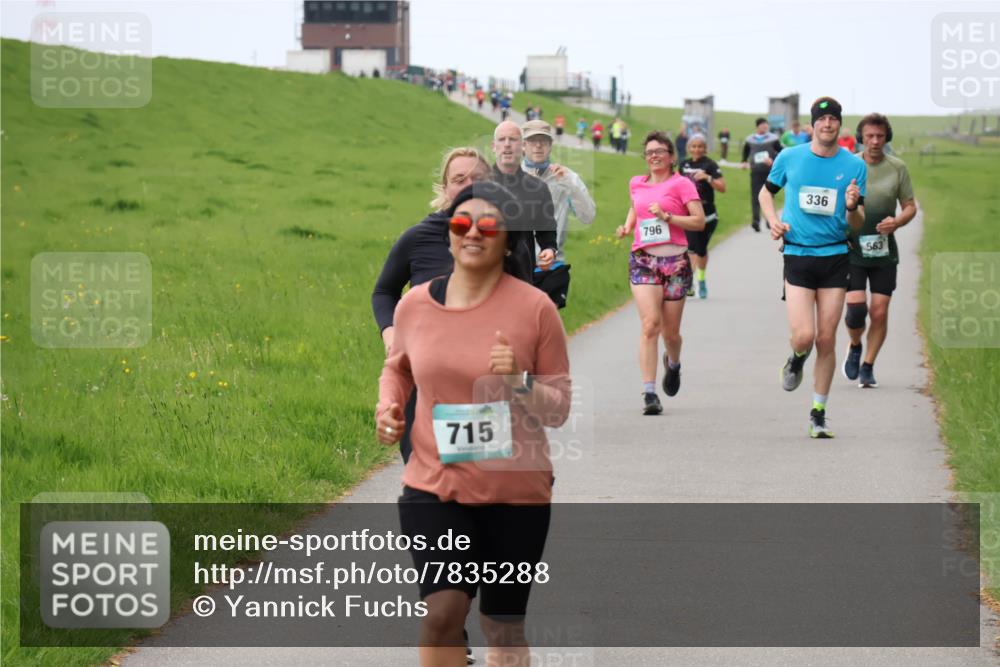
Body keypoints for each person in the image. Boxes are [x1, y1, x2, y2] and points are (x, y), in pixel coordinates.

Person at [377, 180, 571, 667]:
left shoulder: (535, 309)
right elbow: (397, 368)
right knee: (442, 612)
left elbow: (559, 408)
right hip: (434, 484)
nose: (473, 233)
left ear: (507, 241)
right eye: (462, 223)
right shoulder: (415, 305)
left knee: (501, 629)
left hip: (515, 492)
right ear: (449, 233)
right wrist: (389, 407)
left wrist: (519, 381)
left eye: (488, 226)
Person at [371, 147, 491, 665]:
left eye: (476, 177)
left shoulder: (502, 241)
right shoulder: (419, 237)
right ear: (444, 186)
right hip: (422, 393)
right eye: (457, 177)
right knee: (431, 505)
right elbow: (383, 291)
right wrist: (391, 334)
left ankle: (454, 611)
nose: (466, 184)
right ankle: (447, 625)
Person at [759, 97, 867, 439]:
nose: (828, 124)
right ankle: (796, 357)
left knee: (826, 338)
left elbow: (857, 223)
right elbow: (765, 194)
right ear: (813, 125)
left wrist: (852, 206)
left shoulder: (854, 165)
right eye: (822, 119)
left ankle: (818, 413)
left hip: (835, 256)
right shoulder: (790, 157)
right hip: (798, 254)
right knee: (804, 336)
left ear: (839, 124)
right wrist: (773, 221)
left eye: (833, 119)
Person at [615, 131, 706, 415]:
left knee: (671, 334)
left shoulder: (682, 184)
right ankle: (649, 393)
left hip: (676, 263)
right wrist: (627, 226)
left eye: (659, 151)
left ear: (671, 156)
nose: (654, 156)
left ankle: (674, 364)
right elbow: (636, 207)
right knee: (650, 325)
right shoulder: (636, 183)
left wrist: (668, 217)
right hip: (644, 260)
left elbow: (699, 221)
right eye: (649, 152)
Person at [842, 113, 917, 388]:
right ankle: (855, 345)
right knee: (855, 311)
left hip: (883, 251)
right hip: (852, 248)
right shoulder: (849, 165)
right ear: (861, 138)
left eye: (880, 136)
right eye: (870, 136)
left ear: (887, 138)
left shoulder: (897, 167)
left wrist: (897, 221)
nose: (875, 141)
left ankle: (868, 366)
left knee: (880, 312)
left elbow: (910, 206)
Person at [521, 119, 597, 308]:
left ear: (550, 146)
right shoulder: (511, 177)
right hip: (518, 267)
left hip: (552, 267)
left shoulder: (565, 177)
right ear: (523, 145)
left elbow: (588, 216)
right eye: (532, 140)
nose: (538, 145)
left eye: (543, 141)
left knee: (546, 323)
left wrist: (569, 183)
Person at [491, 121, 558, 274]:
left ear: (522, 146)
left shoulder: (538, 188)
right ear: (493, 146)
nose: (507, 145)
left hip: (522, 272)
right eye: (501, 139)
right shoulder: (478, 184)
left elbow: (546, 229)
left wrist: (549, 249)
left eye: (513, 139)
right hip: (484, 273)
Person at [679, 133, 726, 299]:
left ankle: (701, 279)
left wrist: (708, 177)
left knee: (701, 250)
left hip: (708, 215)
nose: (697, 149)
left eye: (700, 146)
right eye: (694, 146)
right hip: (689, 214)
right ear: (689, 148)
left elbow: (722, 187)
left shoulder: (710, 164)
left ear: (705, 148)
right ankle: (690, 281)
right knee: (691, 248)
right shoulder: (683, 165)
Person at [741, 117, 782, 232]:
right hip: (755, 171)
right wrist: (743, 161)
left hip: (769, 171)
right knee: (755, 196)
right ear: (757, 126)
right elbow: (745, 151)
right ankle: (756, 221)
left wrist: (773, 160)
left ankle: (770, 221)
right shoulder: (750, 139)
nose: (765, 127)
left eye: (766, 125)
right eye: (763, 125)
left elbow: (781, 152)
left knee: (769, 195)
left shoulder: (773, 139)